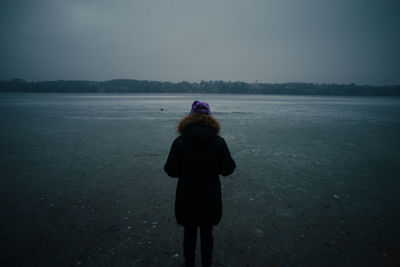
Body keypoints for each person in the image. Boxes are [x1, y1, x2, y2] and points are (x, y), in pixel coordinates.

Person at [164, 100, 236, 267]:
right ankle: (207, 263)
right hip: (210, 197)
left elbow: (171, 170)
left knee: (189, 232)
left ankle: (188, 263)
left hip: (186, 196)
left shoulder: (180, 142)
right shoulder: (218, 142)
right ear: (209, 117)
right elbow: (228, 169)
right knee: (207, 232)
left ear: (190, 116)